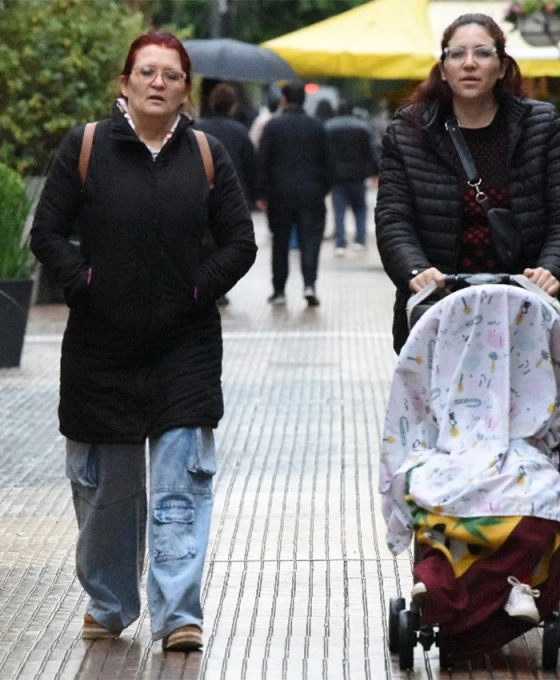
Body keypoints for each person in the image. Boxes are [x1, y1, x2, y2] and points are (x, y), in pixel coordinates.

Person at [29, 30, 257, 653]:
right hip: (100, 349)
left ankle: (179, 613)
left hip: (185, 348)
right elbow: (47, 232)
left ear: (186, 91)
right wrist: (85, 284)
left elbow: (240, 241)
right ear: (124, 83)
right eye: (147, 72)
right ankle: (110, 602)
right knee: (109, 491)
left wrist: (196, 289)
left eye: (172, 75)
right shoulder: (87, 146)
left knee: (182, 486)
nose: (159, 83)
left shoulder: (206, 153)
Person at [375, 13, 560, 355]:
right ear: (443, 69)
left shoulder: (543, 126)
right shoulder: (408, 131)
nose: (469, 63)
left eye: (483, 53)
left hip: (525, 306)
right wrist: (416, 270)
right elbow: (393, 218)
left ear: (502, 67)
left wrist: (552, 269)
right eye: (457, 54)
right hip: (439, 304)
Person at [256, 81, 335, 307]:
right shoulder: (317, 126)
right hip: (311, 194)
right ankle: (309, 285)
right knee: (310, 241)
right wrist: (323, 189)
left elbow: (262, 161)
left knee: (280, 243)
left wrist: (261, 193)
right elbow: (329, 163)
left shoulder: (273, 126)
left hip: (279, 194)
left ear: (284, 99)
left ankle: (279, 290)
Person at [195, 83, 259, 308]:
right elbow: (251, 165)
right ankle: (218, 287)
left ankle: (204, 282)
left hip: (200, 192)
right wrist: (255, 195)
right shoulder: (240, 131)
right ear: (232, 105)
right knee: (228, 242)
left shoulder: (198, 130)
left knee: (204, 240)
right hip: (233, 194)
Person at [325, 100, 380, 256]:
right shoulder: (363, 126)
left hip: (337, 175)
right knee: (360, 208)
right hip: (358, 174)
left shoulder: (329, 126)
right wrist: (375, 171)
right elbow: (371, 151)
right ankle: (360, 240)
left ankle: (340, 243)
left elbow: (325, 152)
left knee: (339, 210)